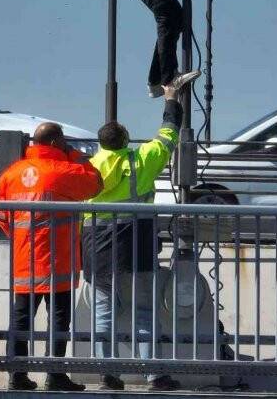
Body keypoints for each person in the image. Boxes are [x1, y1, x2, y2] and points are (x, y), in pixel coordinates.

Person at [81, 73, 199, 392]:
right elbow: (169, 135)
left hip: (97, 250)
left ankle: (108, 374)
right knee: (143, 312)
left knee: (103, 314)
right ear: (125, 140)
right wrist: (171, 99)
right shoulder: (142, 160)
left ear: (101, 143)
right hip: (135, 244)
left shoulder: (88, 167)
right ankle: (154, 376)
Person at [0, 121, 103, 392]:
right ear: (57, 143)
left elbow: (2, 218)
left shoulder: (11, 173)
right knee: (58, 319)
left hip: (24, 260)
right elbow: (96, 183)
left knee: (21, 319)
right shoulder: (65, 170)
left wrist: (23, 241)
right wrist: (75, 155)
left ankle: (17, 375)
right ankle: (54, 375)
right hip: (59, 261)